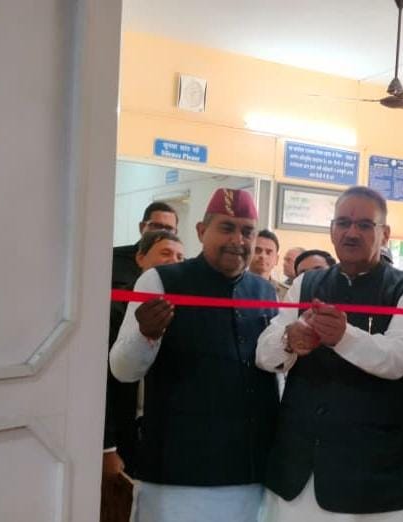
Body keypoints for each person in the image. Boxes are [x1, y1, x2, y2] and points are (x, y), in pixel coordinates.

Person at [256, 186, 403, 522]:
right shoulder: (306, 284)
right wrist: (290, 340)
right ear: (332, 230)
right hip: (301, 467)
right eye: (343, 223)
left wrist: (343, 337)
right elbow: (264, 354)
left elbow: (399, 358)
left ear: (385, 234)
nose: (352, 232)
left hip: (373, 473)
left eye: (364, 225)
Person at [109, 188, 279, 522]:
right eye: (226, 228)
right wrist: (146, 334)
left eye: (247, 231)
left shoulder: (264, 291)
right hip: (178, 473)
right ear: (201, 231)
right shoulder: (160, 280)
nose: (238, 240)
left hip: (249, 470)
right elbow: (122, 370)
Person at [102, 230, 184, 522]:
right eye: (165, 253)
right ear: (140, 258)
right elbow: (100, 385)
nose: (173, 261)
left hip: (159, 441)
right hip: (121, 437)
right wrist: (107, 447)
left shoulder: (182, 311)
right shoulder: (114, 308)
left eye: (180, 257)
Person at [112, 202, 178, 289]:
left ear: (175, 233)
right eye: (156, 226)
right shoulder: (114, 258)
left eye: (169, 228)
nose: (163, 232)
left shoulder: (181, 265)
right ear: (142, 227)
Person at [250, 229, 289, 300]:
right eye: (257, 250)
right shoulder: (235, 287)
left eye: (268, 252)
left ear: (276, 259)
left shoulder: (287, 294)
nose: (262, 256)